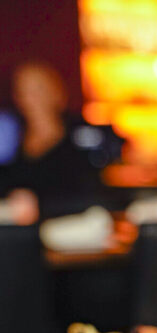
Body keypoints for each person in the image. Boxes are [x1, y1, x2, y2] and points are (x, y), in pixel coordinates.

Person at [0, 62, 105, 217]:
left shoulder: (81, 139)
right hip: (15, 234)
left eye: (38, 89)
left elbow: (95, 195)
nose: (30, 98)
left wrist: (40, 204)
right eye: (23, 91)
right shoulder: (9, 139)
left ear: (57, 92)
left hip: (69, 231)